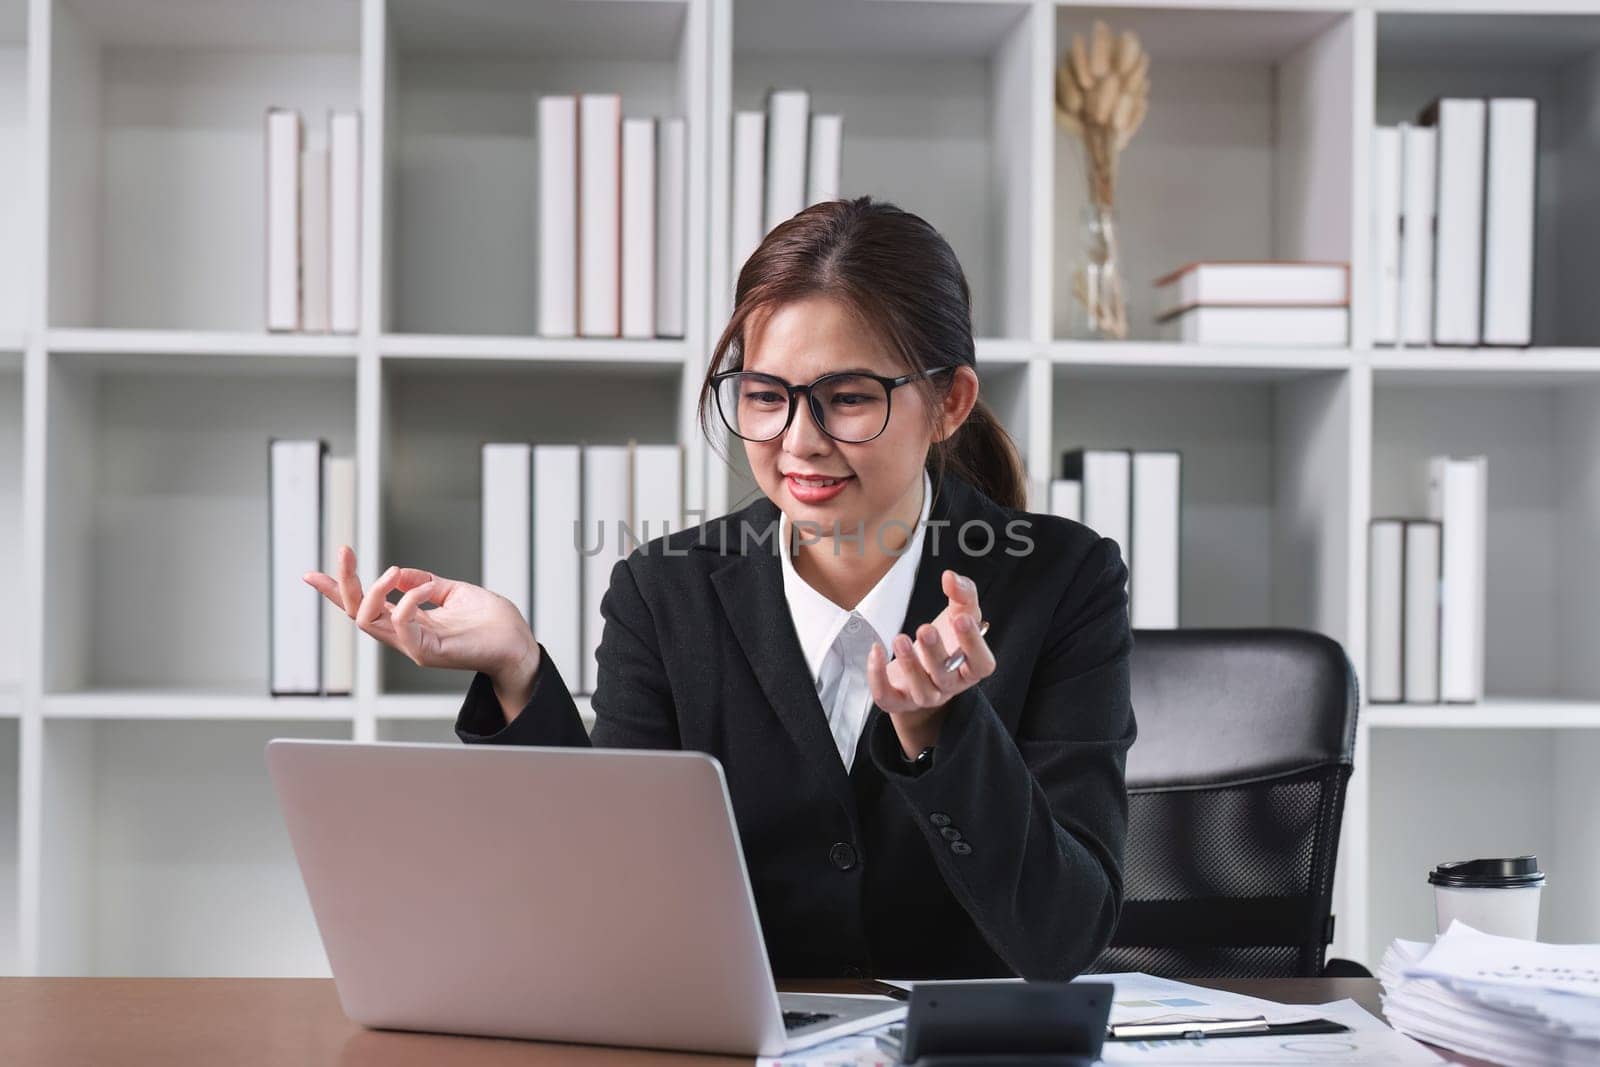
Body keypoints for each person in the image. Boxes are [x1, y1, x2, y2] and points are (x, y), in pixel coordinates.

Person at [304, 196, 1137, 981]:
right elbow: (612, 895)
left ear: (949, 401)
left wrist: (939, 735)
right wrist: (518, 670)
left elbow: (1062, 937)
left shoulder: (1065, 582)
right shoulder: (665, 593)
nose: (797, 442)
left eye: (848, 398)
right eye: (766, 397)